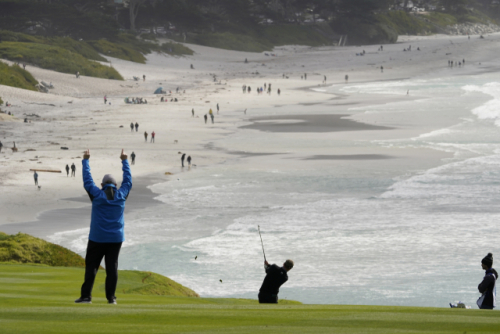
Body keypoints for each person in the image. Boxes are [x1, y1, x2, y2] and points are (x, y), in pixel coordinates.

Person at [75, 149, 132, 305]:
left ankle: (86, 296)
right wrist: (124, 161)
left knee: (92, 266)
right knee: (112, 267)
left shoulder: (97, 195)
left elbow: (87, 181)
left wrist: (86, 160)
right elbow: (128, 181)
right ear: (115, 185)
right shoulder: (121, 195)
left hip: (98, 237)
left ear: (102, 185)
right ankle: (111, 298)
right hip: (115, 238)